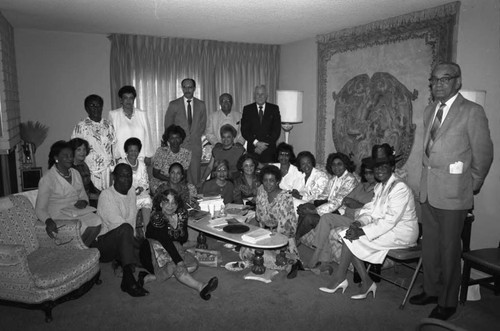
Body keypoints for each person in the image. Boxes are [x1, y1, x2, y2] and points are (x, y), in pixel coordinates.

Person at [410, 62, 493, 320]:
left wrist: (470, 185)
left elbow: (483, 155)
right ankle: (432, 290)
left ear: (458, 81)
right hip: (428, 192)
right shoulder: (428, 110)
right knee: (430, 247)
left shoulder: (472, 111)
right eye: (434, 80)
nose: (438, 84)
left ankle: (448, 302)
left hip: (454, 195)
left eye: (445, 79)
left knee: (449, 250)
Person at [319, 144, 419, 299]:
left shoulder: (400, 188)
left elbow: (389, 221)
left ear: (392, 167)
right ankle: (364, 281)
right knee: (349, 234)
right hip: (386, 228)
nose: (378, 170)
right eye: (376, 167)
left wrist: (362, 231)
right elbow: (370, 211)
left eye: (383, 166)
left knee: (350, 237)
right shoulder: (380, 186)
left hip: (401, 233)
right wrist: (358, 223)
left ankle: (344, 279)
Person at [138, 189, 218, 300]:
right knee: (178, 265)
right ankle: (201, 287)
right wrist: (179, 262)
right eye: (167, 202)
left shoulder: (180, 215)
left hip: (171, 251)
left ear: (177, 205)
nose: (170, 206)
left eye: (173, 203)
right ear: (161, 203)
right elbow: (167, 242)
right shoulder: (157, 217)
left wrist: (180, 222)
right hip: (152, 255)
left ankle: (152, 277)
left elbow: (183, 238)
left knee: (193, 265)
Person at [308, 157, 377, 270]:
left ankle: (316, 257)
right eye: (366, 172)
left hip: (359, 221)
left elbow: (372, 208)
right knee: (325, 218)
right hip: (347, 216)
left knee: (320, 219)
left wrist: (357, 204)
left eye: (371, 173)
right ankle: (324, 261)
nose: (368, 175)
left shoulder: (378, 189)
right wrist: (358, 203)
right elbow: (346, 200)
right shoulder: (361, 185)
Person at [36, 141, 102, 247]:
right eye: (65, 156)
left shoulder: (75, 173)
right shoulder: (48, 178)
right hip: (58, 214)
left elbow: (83, 195)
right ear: (56, 158)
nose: (70, 159)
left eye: (71, 156)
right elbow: (40, 209)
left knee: (97, 221)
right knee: (83, 225)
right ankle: (79, 253)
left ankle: (80, 252)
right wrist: (48, 221)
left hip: (75, 211)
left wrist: (84, 201)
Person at [96, 164, 148, 297]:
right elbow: (117, 225)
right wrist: (137, 244)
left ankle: (124, 264)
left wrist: (140, 242)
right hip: (105, 244)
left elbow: (132, 218)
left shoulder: (131, 191)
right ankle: (129, 279)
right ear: (114, 177)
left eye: (129, 176)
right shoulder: (106, 195)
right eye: (122, 176)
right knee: (126, 230)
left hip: (125, 239)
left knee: (149, 253)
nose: (126, 179)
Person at [248, 165, 303, 279]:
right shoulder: (261, 191)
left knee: (259, 254)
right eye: (265, 180)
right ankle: (283, 262)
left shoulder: (285, 198)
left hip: (282, 241)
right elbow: (259, 217)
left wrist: (280, 250)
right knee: (246, 250)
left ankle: (291, 262)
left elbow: (287, 230)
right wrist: (255, 236)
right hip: (264, 235)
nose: (268, 184)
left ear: (278, 181)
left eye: (272, 181)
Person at [295, 152, 358, 241]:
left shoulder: (350, 179)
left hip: (340, 213)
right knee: (303, 208)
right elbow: (323, 196)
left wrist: (315, 211)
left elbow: (337, 202)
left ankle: (294, 240)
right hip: (329, 208)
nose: (336, 167)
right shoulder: (334, 178)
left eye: (339, 164)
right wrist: (309, 204)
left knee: (309, 217)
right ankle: (295, 238)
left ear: (345, 165)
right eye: (333, 165)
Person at [164, 78, 207, 185]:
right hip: (178, 146)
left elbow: (203, 124)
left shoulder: (201, 105)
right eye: (185, 87)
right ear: (182, 88)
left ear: (194, 88)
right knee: (179, 175)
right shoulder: (174, 104)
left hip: (195, 146)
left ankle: (194, 198)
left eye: (190, 87)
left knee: (195, 175)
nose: (187, 90)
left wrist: (195, 136)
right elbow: (168, 125)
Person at [71, 94, 116, 190]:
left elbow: (113, 147)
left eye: (98, 105)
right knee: (94, 200)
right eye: (92, 106)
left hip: (108, 171)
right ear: (86, 108)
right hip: (90, 172)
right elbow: (75, 150)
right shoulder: (81, 126)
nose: (96, 108)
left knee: (108, 200)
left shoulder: (108, 125)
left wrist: (113, 168)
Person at [108, 85, 154, 164]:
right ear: (121, 100)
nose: (128, 101)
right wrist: (115, 156)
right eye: (125, 98)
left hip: (140, 158)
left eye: (131, 98)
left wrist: (148, 155)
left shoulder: (142, 114)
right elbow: (111, 138)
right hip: (121, 159)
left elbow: (148, 135)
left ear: (134, 99)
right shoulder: (113, 115)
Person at [118, 138, 152, 233]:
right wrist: (132, 191)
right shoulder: (121, 163)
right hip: (125, 194)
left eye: (136, 150)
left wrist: (141, 188)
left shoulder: (141, 164)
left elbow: (145, 182)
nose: (134, 153)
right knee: (132, 204)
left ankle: (147, 231)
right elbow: (120, 183)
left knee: (147, 199)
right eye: (131, 150)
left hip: (140, 193)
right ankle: (132, 233)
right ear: (126, 151)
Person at [241, 85, 281, 163]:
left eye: (262, 94)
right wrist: (257, 143)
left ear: (266, 96)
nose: (260, 96)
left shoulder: (274, 109)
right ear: (254, 96)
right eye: (257, 94)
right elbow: (244, 130)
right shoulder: (247, 109)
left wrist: (263, 146)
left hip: (269, 149)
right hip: (253, 149)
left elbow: (276, 131)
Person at [150, 125, 192, 195]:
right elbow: (155, 173)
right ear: (168, 139)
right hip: (162, 181)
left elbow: (184, 174)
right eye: (172, 138)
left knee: (191, 189)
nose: (175, 141)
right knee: (164, 191)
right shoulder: (161, 151)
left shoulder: (186, 153)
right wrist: (171, 181)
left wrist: (177, 183)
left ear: (181, 139)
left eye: (177, 138)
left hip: (178, 181)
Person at [69, 137, 101, 208]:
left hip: (89, 198)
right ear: (72, 151)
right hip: (77, 202)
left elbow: (89, 184)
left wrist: (101, 193)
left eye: (84, 149)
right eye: (79, 150)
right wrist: (94, 196)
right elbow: (75, 192)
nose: (82, 152)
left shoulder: (84, 164)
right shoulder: (70, 169)